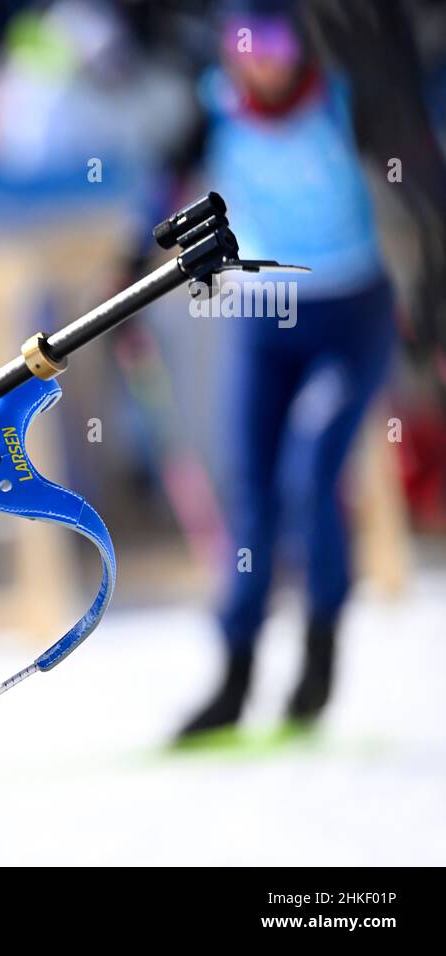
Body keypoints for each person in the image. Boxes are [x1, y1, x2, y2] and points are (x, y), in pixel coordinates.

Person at [174, 8, 397, 741]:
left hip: (348, 317)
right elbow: (161, 187)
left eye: (273, 43)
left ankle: (319, 655)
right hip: (262, 322)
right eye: (245, 46)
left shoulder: (344, 97)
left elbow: (418, 186)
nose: (259, 62)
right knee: (253, 497)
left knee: (311, 476)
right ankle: (235, 677)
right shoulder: (214, 107)